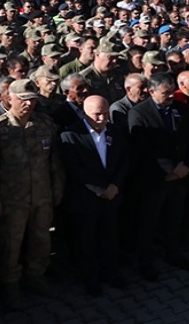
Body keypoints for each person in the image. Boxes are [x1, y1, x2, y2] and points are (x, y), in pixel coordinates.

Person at [0, 79, 65, 310]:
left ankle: (36, 277)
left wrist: (57, 188)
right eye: (22, 99)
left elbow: (55, 162)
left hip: (42, 195)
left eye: (32, 100)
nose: (28, 104)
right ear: (10, 98)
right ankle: (10, 285)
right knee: (11, 244)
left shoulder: (44, 125)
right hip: (12, 199)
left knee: (41, 239)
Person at [59, 95, 129, 296]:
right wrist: (100, 189)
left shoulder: (114, 131)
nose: (101, 118)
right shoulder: (70, 135)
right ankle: (90, 278)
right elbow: (74, 168)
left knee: (110, 237)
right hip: (85, 199)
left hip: (112, 196)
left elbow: (124, 159)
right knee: (86, 241)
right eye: (96, 114)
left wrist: (115, 185)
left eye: (105, 113)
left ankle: (111, 273)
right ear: (84, 113)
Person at [127, 73, 189, 278]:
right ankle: (145, 262)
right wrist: (170, 169)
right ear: (151, 91)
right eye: (165, 94)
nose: (170, 97)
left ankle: (172, 253)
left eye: (171, 92)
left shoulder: (180, 109)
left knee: (174, 218)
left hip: (181, 176)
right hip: (155, 178)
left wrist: (185, 166)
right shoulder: (138, 113)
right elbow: (143, 148)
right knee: (149, 222)